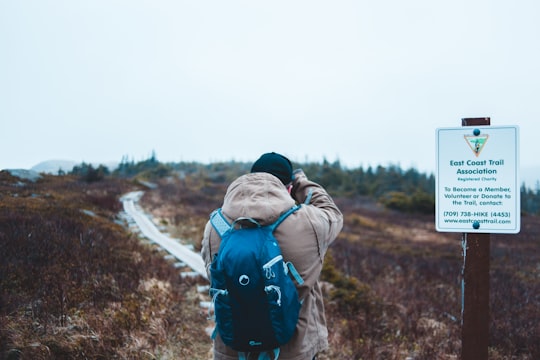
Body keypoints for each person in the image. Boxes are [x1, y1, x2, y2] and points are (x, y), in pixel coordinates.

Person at [201, 152, 343, 360]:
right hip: (292, 349)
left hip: (233, 349)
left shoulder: (215, 225)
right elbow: (331, 211)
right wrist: (301, 182)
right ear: (289, 188)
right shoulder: (310, 223)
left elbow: (213, 275)